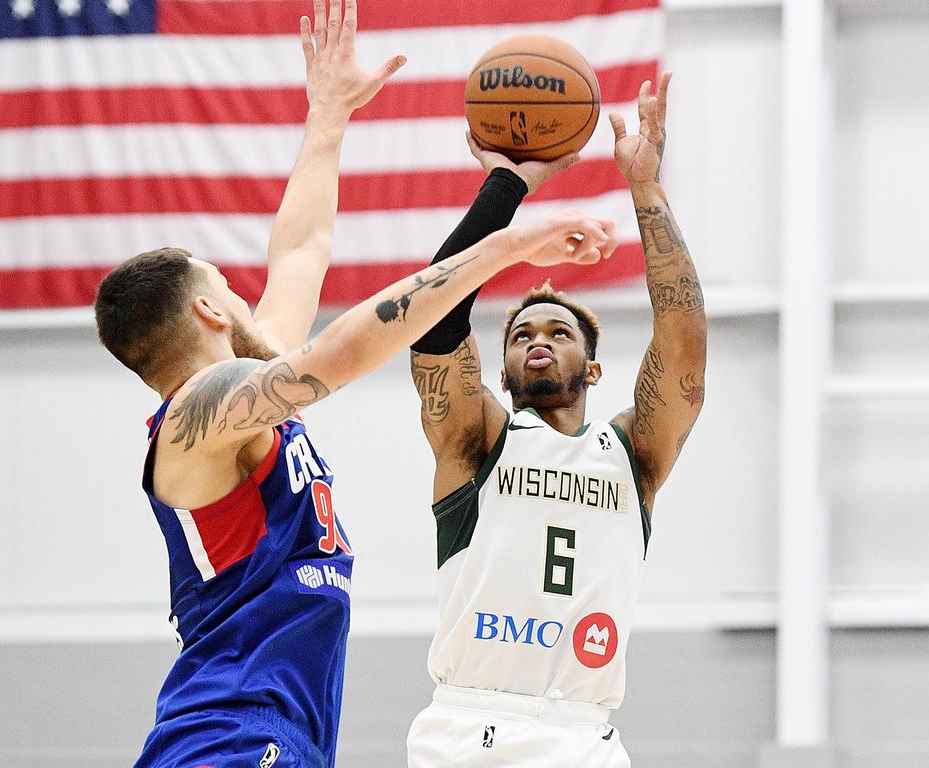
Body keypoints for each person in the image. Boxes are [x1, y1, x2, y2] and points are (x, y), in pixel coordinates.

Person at [93, 3, 617, 762]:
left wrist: (330, 113)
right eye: (229, 288)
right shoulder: (197, 417)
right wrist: (510, 245)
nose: (249, 298)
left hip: (274, 733)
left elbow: (302, 247)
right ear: (210, 308)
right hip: (228, 736)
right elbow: (343, 352)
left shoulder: (246, 381)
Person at [405, 71, 706, 768]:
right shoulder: (477, 438)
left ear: (594, 370)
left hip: (584, 732)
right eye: (520, 335)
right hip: (469, 724)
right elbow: (431, 320)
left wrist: (646, 190)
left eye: (559, 332)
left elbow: (683, 348)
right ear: (503, 372)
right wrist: (506, 187)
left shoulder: (632, 453)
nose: (538, 338)